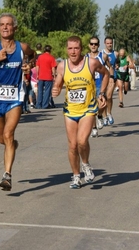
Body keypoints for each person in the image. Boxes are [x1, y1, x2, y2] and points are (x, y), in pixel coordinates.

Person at [0, 13, 35, 191]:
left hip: (15, 98)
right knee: (2, 139)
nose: (5, 27)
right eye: (2, 24)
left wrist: (29, 64)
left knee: (9, 134)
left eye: (8, 24)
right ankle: (12, 146)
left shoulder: (22, 47)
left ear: (14, 28)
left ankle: (7, 176)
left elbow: (33, 56)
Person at [52, 36, 109, 189]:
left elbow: (106, 74)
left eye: (76, 48)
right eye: (70, 48)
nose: (73, 51)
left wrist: (102, 93)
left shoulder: (91, 63)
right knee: (72, 145)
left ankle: (86, 165)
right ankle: (76, 176)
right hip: (70, 110)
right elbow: (58, 81)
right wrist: (56, 88)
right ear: (66, 49)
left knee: (82, 141)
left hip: (88, 109)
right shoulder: (62, 66)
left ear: (81, 49)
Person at [85, 36, 113, 137]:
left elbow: (110, 67)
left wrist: (111, 78)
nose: (93, 46)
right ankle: (94, 128)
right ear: (89, 45)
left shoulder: (103, 56)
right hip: (89, 85)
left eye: (95, 44)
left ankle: (100, 115)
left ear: (98, 45)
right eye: (91, 44)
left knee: (102, 105)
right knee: (91, 108)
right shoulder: (85, 57)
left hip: (100, 83)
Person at [102, 36, 118, 125]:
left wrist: (117, 66)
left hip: (112, 76)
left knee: (109, 96)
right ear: (105, 43)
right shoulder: (101, 54)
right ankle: (104, 117)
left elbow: (117, 62)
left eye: (110, 43)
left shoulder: (115, 53)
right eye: (107, 43)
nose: (109, 45)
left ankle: (109, 113)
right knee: (103, 97)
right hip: (103, 77)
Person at [36, 45, 57, 109]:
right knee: (47, 91)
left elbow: (37, 66)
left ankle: (38, 105)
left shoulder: (40, 57)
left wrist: (37, 74)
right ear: (50, 50)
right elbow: (53, 68)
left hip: (41, 76)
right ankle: (45, 105)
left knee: (40, 91)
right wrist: (54, 75)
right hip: (48, 76)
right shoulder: (51, 57)